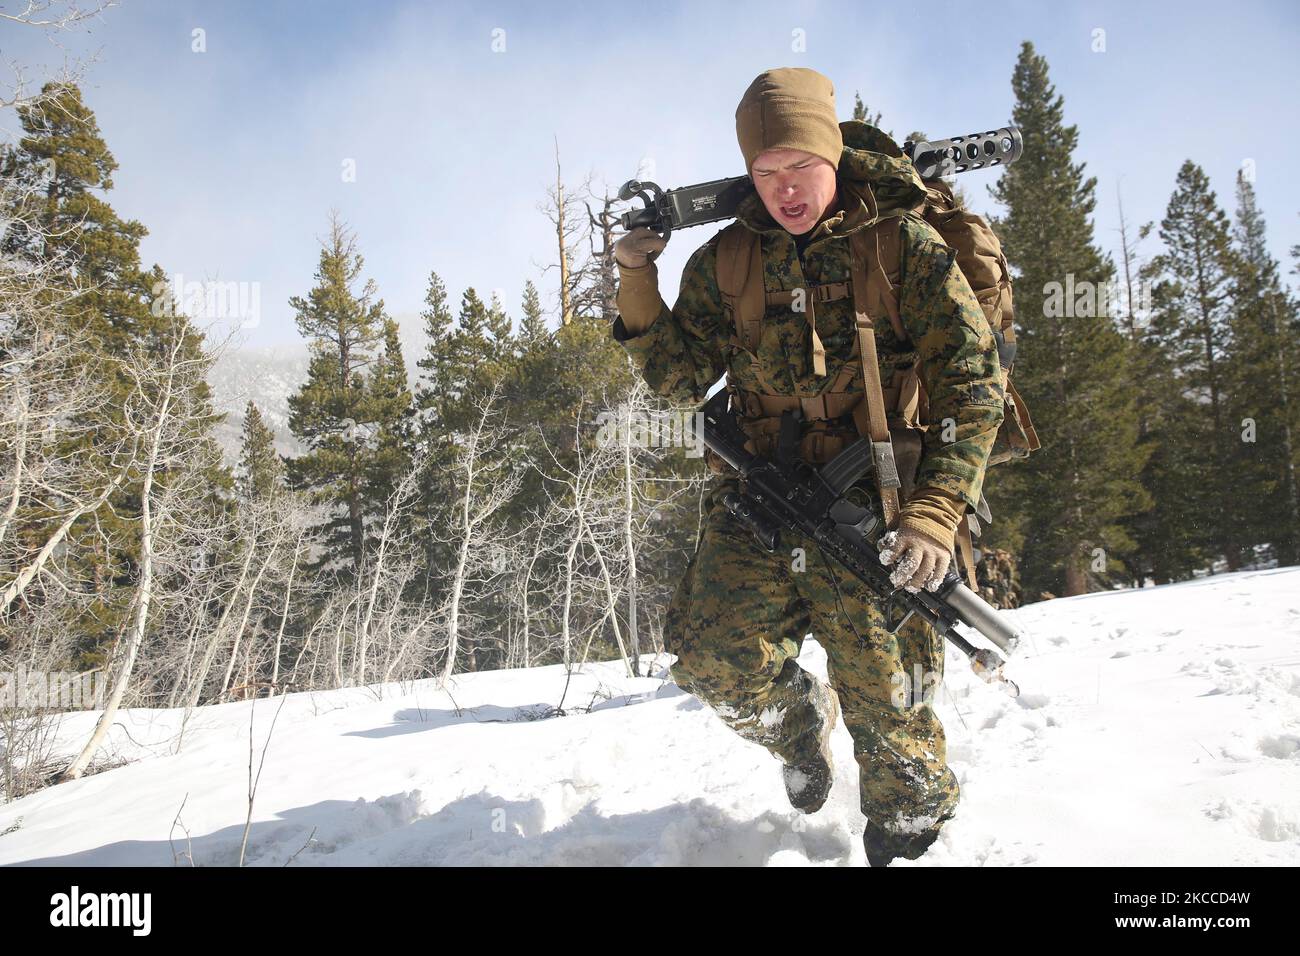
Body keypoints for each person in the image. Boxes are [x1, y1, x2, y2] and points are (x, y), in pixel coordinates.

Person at [610, 67, 1004, 866]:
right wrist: (634, 276)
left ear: (834, 156)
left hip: (883, 496)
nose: (786, 190)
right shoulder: (726, 261)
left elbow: (975, 382)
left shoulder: (904, 245)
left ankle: (910, 829)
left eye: (802, 168)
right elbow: (681, 381)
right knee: (711, 660)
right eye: (767, 174)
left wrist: (936, 514)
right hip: (764, 488)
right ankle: (799, 727)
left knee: (890, 695)